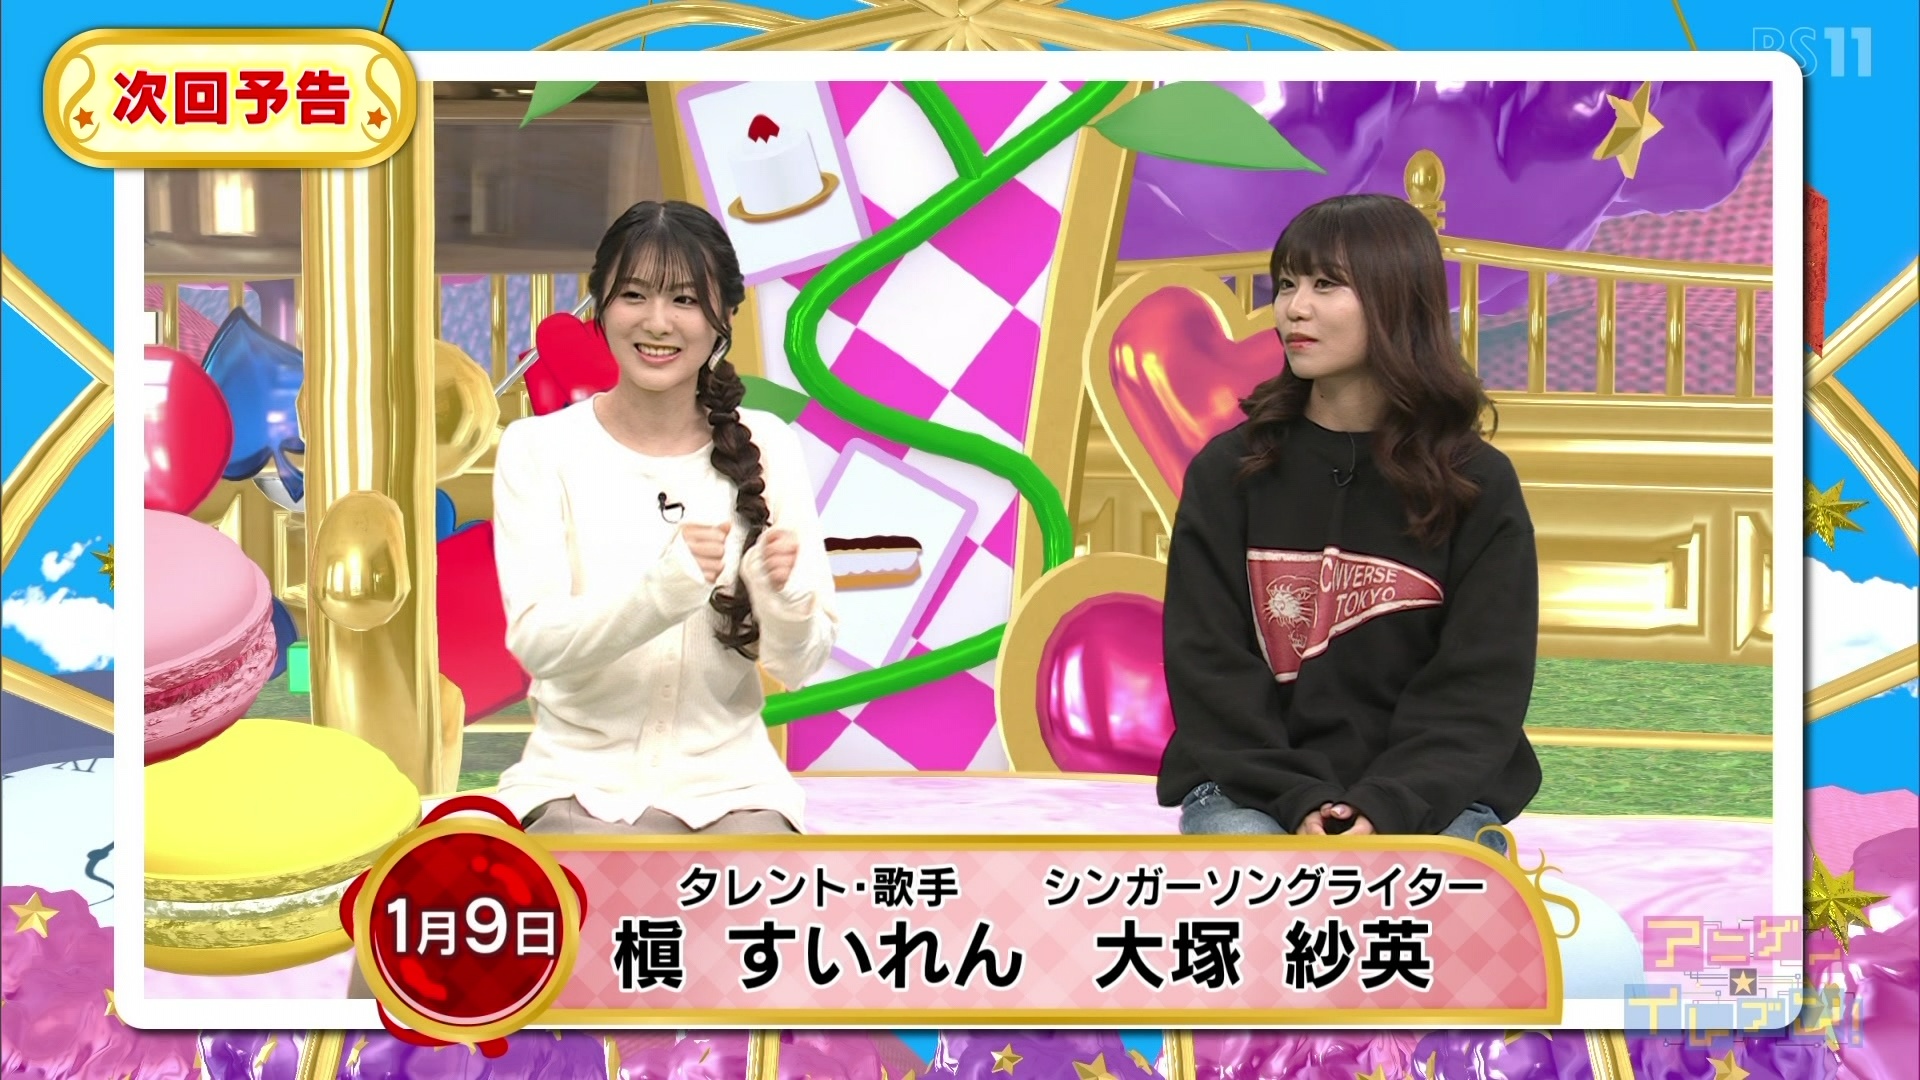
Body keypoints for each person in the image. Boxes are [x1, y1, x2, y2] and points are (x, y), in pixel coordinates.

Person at [1155, 193, 1541, 853]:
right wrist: (1297, 798)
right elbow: (1208, 667)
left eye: (1326, 285)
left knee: (1435, 892)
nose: (1294, 308)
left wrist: (1387, 803)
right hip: (1252, 790)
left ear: (1397, 300)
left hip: (1433, 796)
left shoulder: (1476, 483)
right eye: (1287, 285)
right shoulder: (1230, 472)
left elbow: (1481, 684)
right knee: (1268, 889)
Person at [490, 199, 839, 837]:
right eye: (633, 295)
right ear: (600, 305)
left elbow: (800, 664)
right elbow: (538, 644)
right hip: (573, 785)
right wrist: (665, 589)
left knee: (759, 878)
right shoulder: (538, 448)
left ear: (723, 315)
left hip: (734, 791)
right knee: (582, 865)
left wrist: (783, 600)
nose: (657, 322)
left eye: (685, 299)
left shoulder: (769, 444)